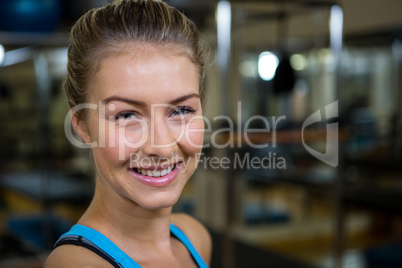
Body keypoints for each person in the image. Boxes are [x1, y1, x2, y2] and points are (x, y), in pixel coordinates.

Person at [44, 0, 211, 267]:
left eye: (180, 110)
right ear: (81, 124)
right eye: (126, 115)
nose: (163, 147)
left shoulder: (194, 238)